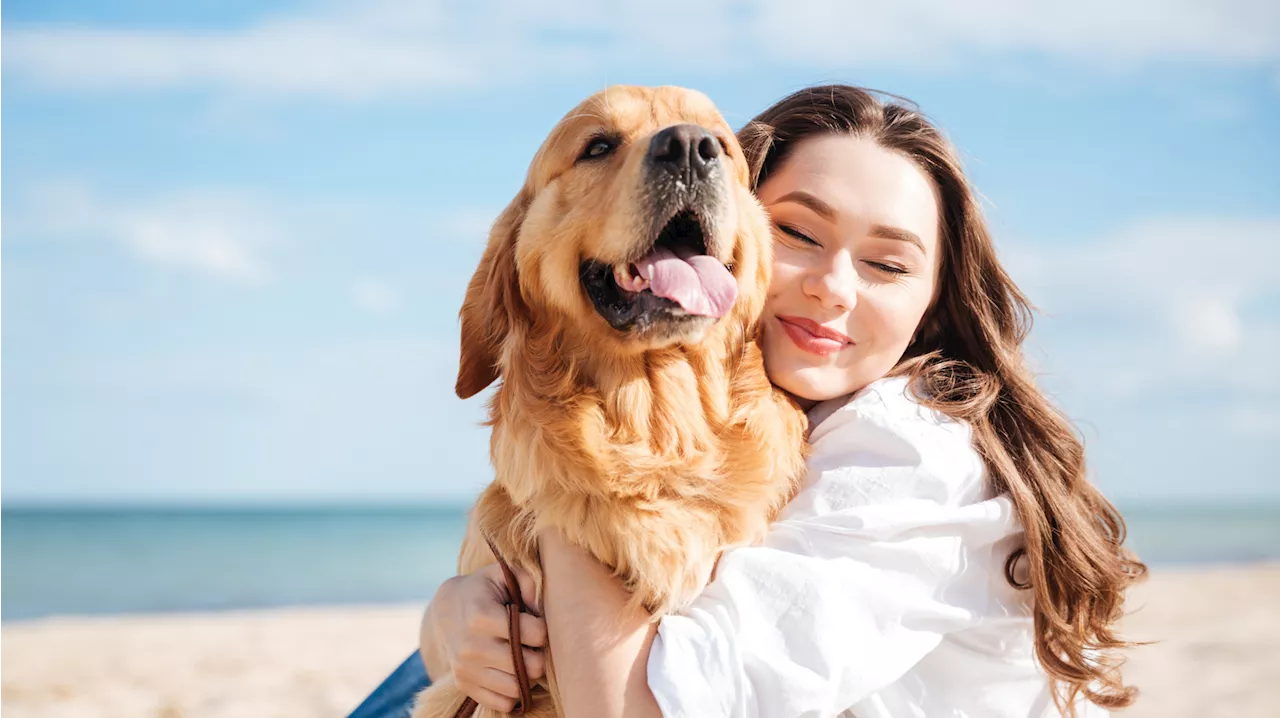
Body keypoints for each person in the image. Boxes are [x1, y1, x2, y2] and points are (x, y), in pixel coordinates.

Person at [351, 84, 1145, 718]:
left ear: (934, 307)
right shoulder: (797, 412)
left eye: (889, 265)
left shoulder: (909, 451)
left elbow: (640, 707)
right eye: (800, 233)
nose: (833, 289)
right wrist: (447, 622)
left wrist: (563, 487)